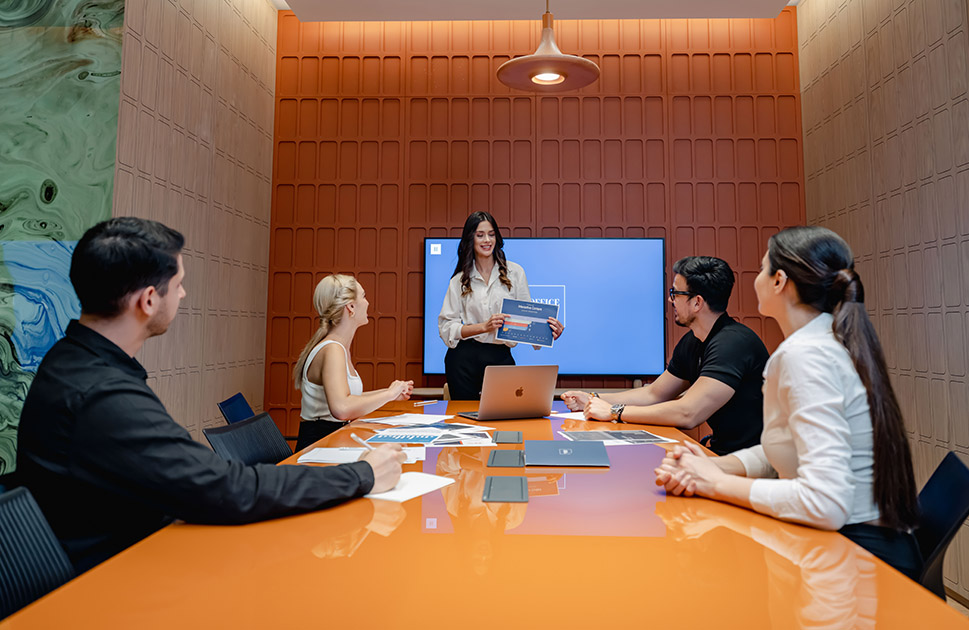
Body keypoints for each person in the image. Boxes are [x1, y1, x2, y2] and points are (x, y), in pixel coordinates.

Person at [16, 217, 405, 574]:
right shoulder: (104, 395)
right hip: (118, 581)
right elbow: (227, 489)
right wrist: (362, 474)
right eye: (180, 283)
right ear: (149, 299)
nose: (183, 295)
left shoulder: (69, 361)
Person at [654, 226, 921, 578]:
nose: (756, 280)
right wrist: (715, 466)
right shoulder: (821, 343)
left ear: (779, 281)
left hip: (856, 561)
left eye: (763, 269)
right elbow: (788, 448)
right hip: (845, 547)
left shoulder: (805, 356)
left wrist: (711, 483)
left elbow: (824, 504)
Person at [561, 256, 768, 455]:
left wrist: (615, 411)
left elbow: (688, 413)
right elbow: (654, 394)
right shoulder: (694, 341)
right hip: (722, 455)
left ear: (697, 303)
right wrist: (592, 398)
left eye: (675, 293)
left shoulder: (733, 344)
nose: (670, 299)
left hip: (751, 465)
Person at [438, 211, 563, 400]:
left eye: (491, 234)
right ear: (470, 238)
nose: (487, 240)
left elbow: (528, 319)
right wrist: (484, 327)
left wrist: (549, 331)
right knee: (464, 420)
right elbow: (446, 328)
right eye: (480, 235)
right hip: (463, 360)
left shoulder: (515, 272)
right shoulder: (459, 280)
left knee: (504, 416)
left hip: (500, 356)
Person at [292, 274, 414, 451]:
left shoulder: (338, 347)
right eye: (363, 296)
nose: (367, 302)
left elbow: (349, 399)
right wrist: (388, 394)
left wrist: (392, 394)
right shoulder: (332, 350)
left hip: (332, 442)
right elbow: (341, 408)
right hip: (319, 449)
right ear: (350, 307)